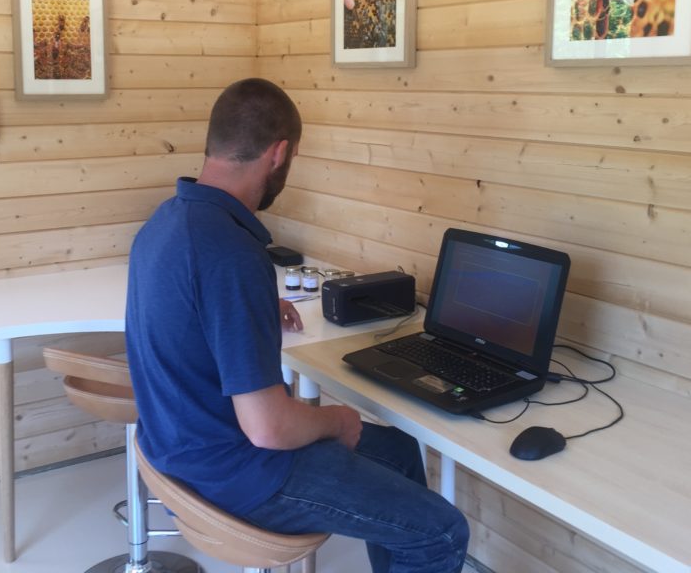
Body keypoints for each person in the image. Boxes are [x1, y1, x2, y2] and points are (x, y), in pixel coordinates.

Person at [125, 78, 469, 573]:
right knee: (441, 531)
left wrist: (256, 309)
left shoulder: (168, 222)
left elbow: (192, 322)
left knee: (396, 448)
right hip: (239, 473)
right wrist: (337, 421)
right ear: (279, 153)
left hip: (176, 449)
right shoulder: (231, 254)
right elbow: (268, 428)